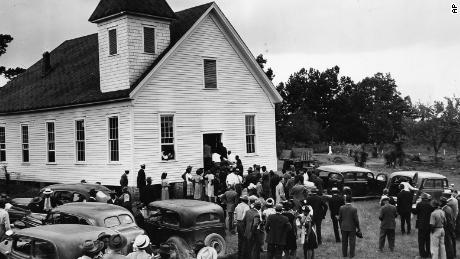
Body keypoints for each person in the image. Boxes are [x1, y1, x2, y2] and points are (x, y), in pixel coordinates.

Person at [414, 192, 434, 258]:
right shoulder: (430, 205)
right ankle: (428, 253)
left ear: (422, 198)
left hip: (421, 225)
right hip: (428, 225)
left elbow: (416, 212)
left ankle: (422, 255)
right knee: (428, 240)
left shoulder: (419, 204)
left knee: (421, 240)